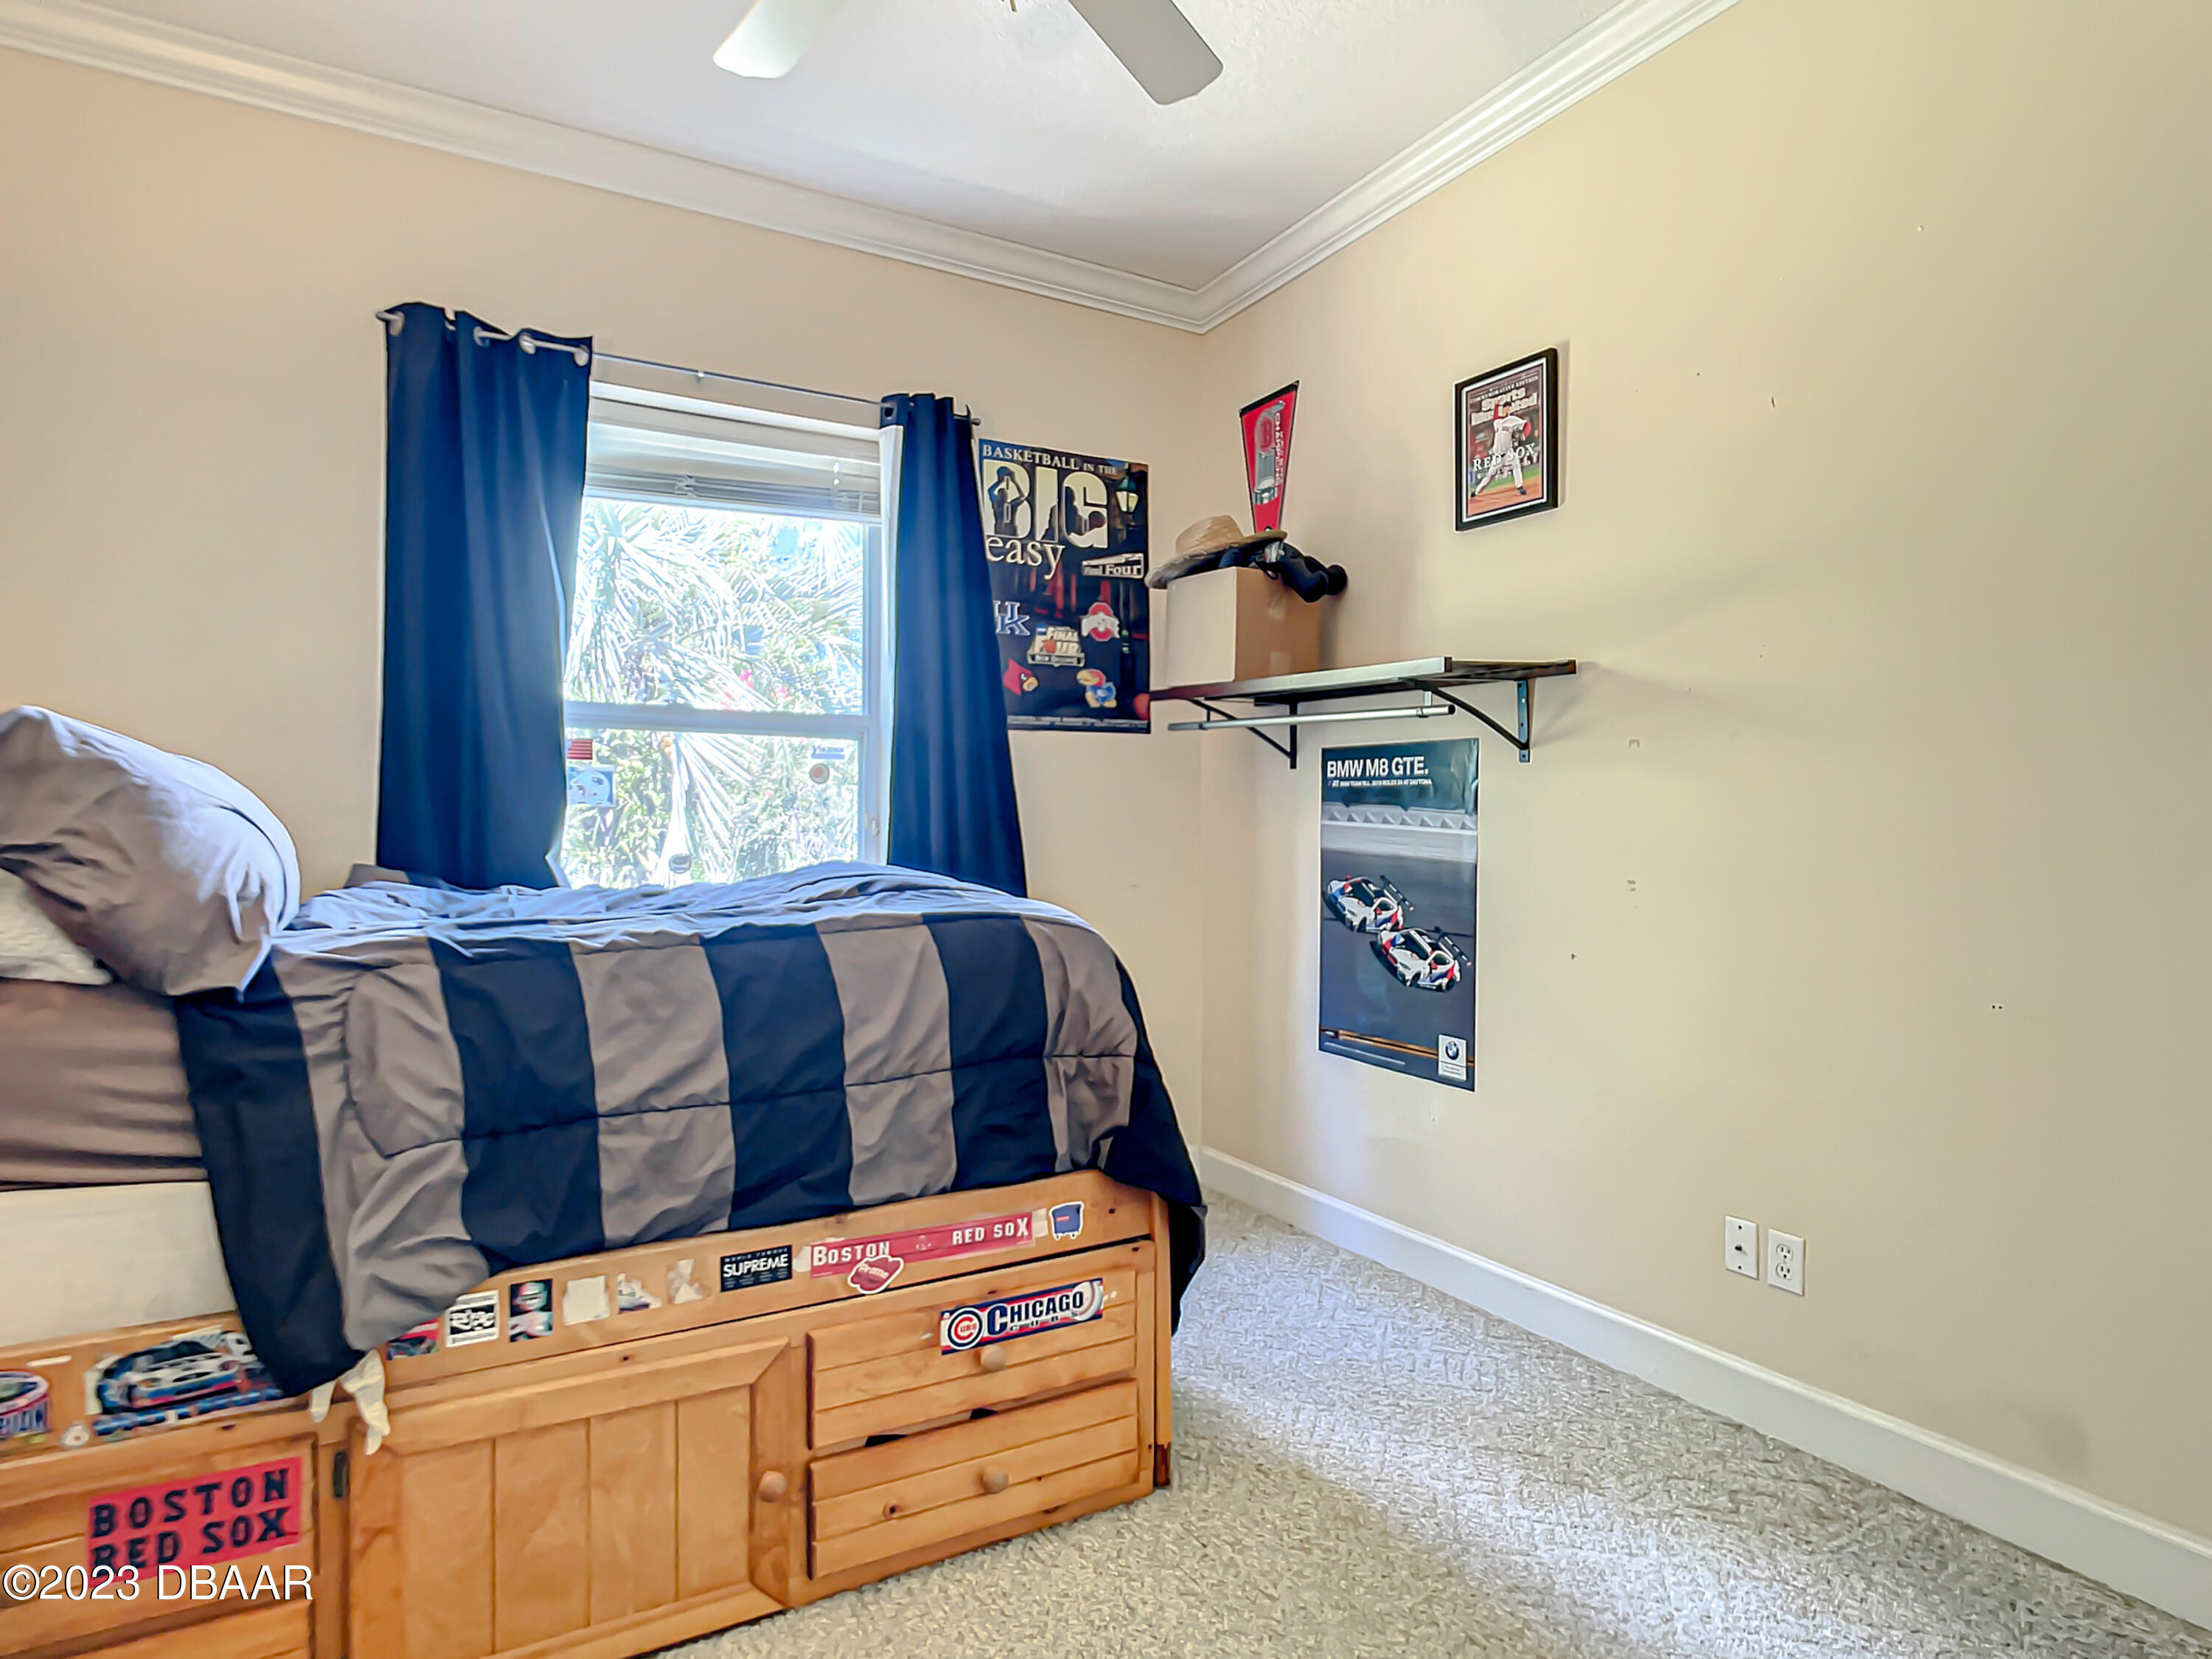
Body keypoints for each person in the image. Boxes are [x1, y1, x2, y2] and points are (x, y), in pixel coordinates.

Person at [1473, 400, 1532, 498]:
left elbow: (1527, 425)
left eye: (1509, 407)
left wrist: (1525, 434)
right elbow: (1495, 416)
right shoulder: (1497, 422)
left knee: (1516, 465)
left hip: (1508, 453)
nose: (1507, 409)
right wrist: (1496, 405)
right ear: (1503, 409)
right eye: (1506, 407)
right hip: (1497, 457)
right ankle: (1476, 492)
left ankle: (1520, 487)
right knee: (1489, 475)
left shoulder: (1513, 420)